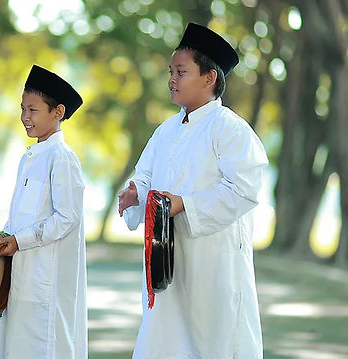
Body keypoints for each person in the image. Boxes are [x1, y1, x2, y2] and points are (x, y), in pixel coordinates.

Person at [116, 22, 268, 358]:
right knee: (164, 340)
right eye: (171, 71)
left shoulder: (230, 129)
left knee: (212, 341)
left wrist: (186, 204)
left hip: (213, 262)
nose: (172, 79)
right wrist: (135, 195)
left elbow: (245, 190)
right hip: (167, 261)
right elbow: (144, 177)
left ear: (209, 77)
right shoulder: (165, 131)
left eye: (181, 71)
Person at [0, 65, 87, 358]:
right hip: (20, 273)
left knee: (43, 346)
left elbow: (67, 218)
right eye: (23, 108)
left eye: (32, 110)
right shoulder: (30, 157)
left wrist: (21, 241)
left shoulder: (62, 158)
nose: (24, 117)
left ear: (57, 112)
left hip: (47, 278)